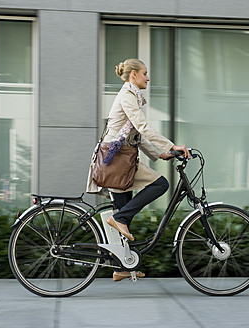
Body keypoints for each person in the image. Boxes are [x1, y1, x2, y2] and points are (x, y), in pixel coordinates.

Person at [87, 58, 189, 282]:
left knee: (124, 214)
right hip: (117, 159)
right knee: (160, 184)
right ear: (133, 74)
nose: (148, 78)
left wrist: (159, 154)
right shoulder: (127, 96)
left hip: (120, 158)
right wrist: (172, 146)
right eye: (145, 73)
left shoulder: (132, 96)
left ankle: (121, 266)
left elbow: (135, 134)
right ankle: (120, 219)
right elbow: (142, 126)